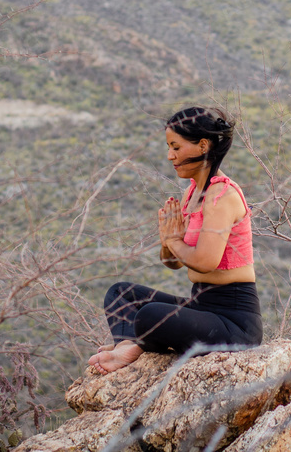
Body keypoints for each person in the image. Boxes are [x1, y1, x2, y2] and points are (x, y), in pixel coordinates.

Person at [87, 106, 262, 374]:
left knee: (150, 315)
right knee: (120, 293)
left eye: (176, 147)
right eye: (169, 147)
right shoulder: (193, 193)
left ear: (202, 146)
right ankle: (127, 344)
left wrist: (175, 241)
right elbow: (174, 264)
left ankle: (137, 345)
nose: (170, 156)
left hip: (234, 322)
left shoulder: (222, 197)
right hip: (203, 306)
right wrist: (168, 242)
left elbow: (204, 262)